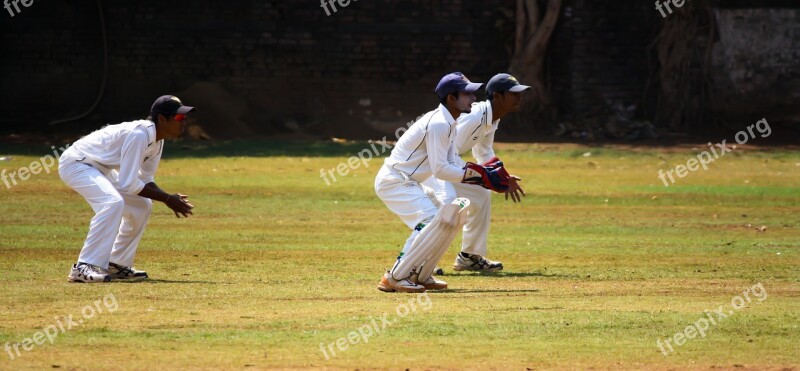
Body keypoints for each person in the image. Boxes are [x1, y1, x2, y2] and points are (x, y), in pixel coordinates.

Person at [375, 72, 509, 293]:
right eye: (466, 94)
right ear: (451, 98)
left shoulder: (451, 123)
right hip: (395, 181)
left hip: (410, 182)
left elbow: (450, 162)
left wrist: (481, 175)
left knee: (450, 218)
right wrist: (480, 176)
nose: (473, 98)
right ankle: (395, 276)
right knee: (430, 220)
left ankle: (422, 274)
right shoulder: (438, 124)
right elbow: (440, 169)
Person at [58, 95, 196, 283]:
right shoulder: (140, 134)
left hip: (100, 168)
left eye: (185, 117)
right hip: (76, 163)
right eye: (179, 117)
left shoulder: (158, 141)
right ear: (162, 119)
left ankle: (116, 263)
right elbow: (129, 184)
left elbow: (145, 179)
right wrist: (167, 198)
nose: (184, 122)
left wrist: (167, 198)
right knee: (112, 202)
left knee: (142, 205)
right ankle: (84, 267)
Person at [424, 73, 530, 272]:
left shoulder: (492, 119)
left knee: (480, 194)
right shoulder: (475, 116)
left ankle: (469, 256)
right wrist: (478, 174)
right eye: (513, 94)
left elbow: (483, 151)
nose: (519, 98)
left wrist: (502, 177)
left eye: (520, 94)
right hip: (434, 166)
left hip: (450, 165)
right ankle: (422, 261)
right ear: (497, 96)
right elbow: (448, 148)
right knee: (443, 207)